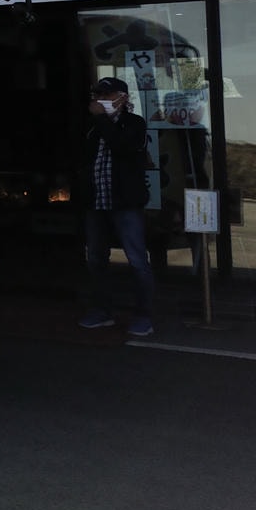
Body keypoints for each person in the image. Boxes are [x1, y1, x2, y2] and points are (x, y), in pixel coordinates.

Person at [77, 76, 154, 336]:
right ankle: (102, 310)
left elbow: (123, 147)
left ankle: (144, 314)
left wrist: (101, 119)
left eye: (106, 96)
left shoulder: (135, 123)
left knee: (136, 259)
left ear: (122, 98)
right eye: (96, 95)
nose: (99, 101)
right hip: (96, 202)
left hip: (126, 204)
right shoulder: (91, 127)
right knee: (96, 259)